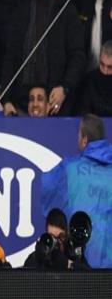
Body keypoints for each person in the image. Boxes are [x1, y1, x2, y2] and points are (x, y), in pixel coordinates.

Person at [1, 0, 85, 116]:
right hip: (21, 105)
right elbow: (10, 55)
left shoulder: (65, 8)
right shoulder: (22, 8)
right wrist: (6, 98)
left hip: (55, 104)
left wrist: (65, 87)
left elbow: (78, 54)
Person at [41, 114, 112, 268]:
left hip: (83, 262)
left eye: (79, 134)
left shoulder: (70, 168)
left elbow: (47, 186)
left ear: (84, 140)